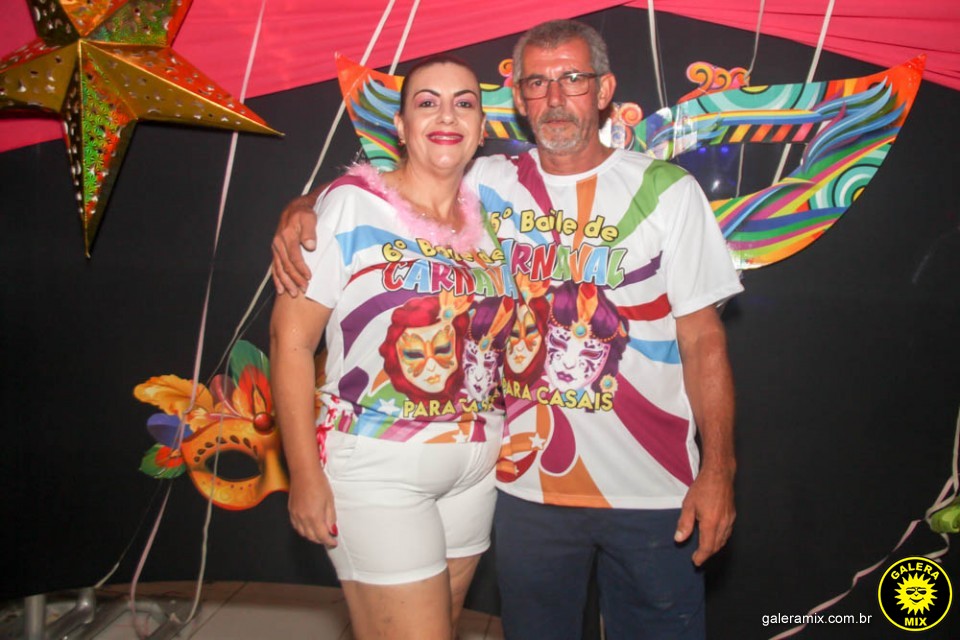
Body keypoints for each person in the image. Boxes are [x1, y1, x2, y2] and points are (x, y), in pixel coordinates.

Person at [273, 20, 742, 640]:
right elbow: (392, 184)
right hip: (525, 489)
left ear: (605, 90)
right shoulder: (486, 182)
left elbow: (704, 339)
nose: (556, 97)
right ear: (518, 99)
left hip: (653, 489)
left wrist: (719, 469)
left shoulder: (667, 192)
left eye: (573, 79)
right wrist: (304, 205)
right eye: (537, 83)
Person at [270, 54, 513, 640]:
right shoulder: (350, 206)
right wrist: (303, 473)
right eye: (427, 102)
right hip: (377, 466)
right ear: (401, 127)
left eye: (464, 103)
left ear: (482, 128)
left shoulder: (495, 213)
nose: (446, 116)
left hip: (475, 469)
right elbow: (289, 342)